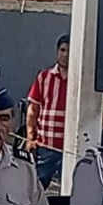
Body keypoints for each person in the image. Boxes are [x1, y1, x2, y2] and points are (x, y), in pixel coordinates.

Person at [26, 34, 70, 189]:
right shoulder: (44, 77)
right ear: (57, 52)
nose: (65, 55)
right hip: (46, 146)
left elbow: (102, 111)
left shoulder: (83, 79)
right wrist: (30, 138)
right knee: (36, 188)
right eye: (62, 50)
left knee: (71, 192)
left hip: (72, 149)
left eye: (70, 51)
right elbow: (33, 109)